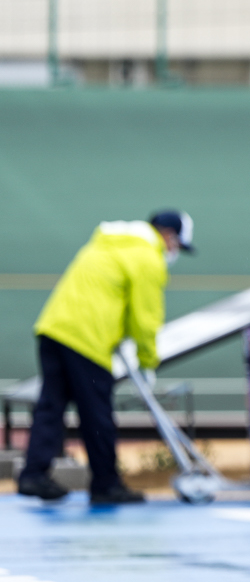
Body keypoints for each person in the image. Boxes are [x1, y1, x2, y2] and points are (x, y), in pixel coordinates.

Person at [16, 211, 195, 505]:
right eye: (177, 245)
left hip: (53, 327)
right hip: (88, 339)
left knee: (51, 405)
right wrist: (148, 361)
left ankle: (33, 474)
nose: (174, 252)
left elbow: (108, 295)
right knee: (96, 413)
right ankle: (105, 485)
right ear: (169, 235)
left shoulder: (106, 243)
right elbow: (145, 318)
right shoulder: (147, 257)